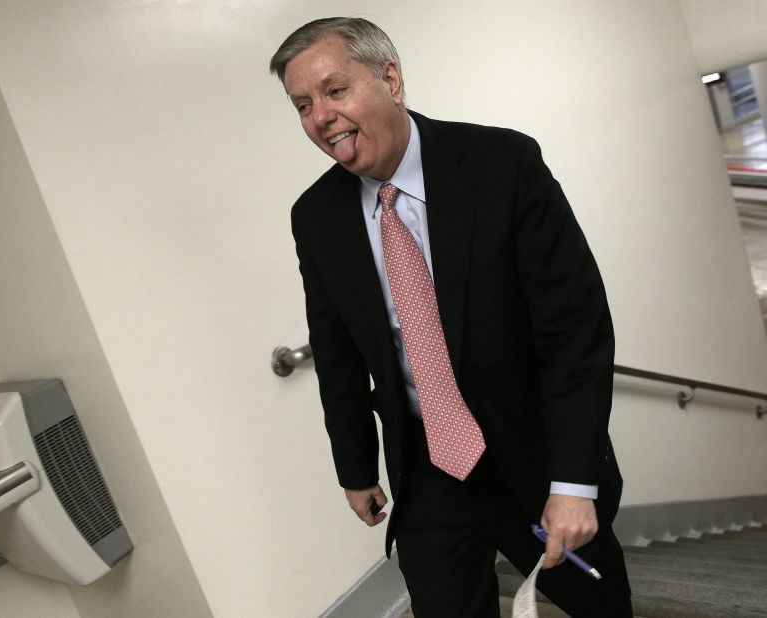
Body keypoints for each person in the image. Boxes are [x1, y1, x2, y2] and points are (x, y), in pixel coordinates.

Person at [270, 17, 632, 617]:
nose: (320, 117)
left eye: (335, 91)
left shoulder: (502, 163)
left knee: (596, 606)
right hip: (427, 469)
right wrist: (356, 467)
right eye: (303, 105)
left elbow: (574, 332)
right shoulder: (316, 216)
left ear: (390, 79)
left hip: (530, 455)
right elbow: (335, 355)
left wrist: (573, 483)